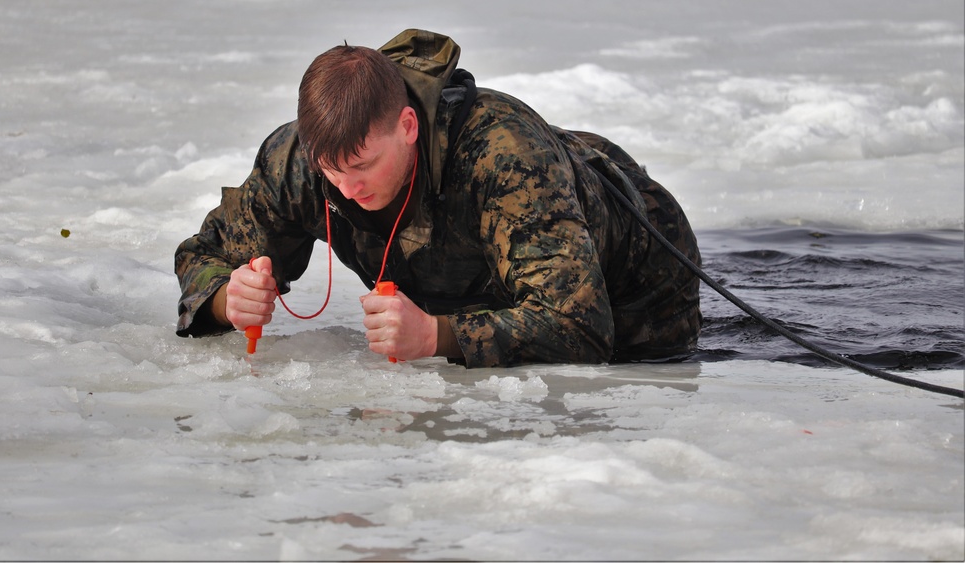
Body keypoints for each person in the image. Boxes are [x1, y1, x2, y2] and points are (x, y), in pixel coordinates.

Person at [175, 29, 702, 367]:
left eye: (362, 167)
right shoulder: (299, 161)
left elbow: (581, 327)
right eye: (330, 171)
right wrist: (226, 299)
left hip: (638, 290)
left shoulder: (504, 157)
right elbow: (202, 255)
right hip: (493, 283)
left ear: (407, 126)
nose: (347, 189)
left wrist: (436, 336)